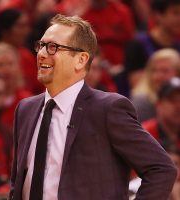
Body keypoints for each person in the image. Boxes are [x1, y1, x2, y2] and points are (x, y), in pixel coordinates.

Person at [9, 14, 177, 200]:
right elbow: (19, 182)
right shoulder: (25, 109)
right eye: (40, 46)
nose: (41, 54)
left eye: (52, 47)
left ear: (81, 60)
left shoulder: (108, 109)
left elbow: (161, 169)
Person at [131, 48, 180, 122]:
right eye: (154, 70)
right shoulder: (142, 101)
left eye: (164, 71)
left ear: (178, 73)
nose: (157, 77)